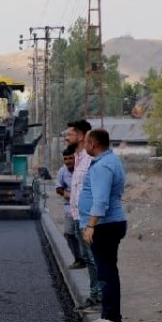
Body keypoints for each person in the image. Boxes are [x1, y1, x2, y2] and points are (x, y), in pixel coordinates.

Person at [79, 128, 128, 322]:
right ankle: (111, 316)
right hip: (110, 223)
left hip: (104, 225)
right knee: (108, 270)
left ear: (93, 144)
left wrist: (90, 225)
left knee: (106, 272)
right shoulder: (111, 161)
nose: (84, 146)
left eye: (86, 143)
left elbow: (100, 200)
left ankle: (110, 318)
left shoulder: (102, 166)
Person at [66, 118, 101, 311]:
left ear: (80, 136)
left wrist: (92, 222)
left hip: (88, 218)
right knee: (88, 258)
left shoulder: (90, 160)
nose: (66, 138)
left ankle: (98, 297)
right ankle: (95, 295)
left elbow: (96, 191)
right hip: (79, 216)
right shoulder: (77, 159)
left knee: (94, 258)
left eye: (69, 135)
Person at [56, 144, 86, 269]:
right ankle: (78, 259)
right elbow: (58, 188)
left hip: (84, 207)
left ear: (76, 158)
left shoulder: (82, 171)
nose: (68, 161)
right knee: (69, 233)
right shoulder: (62, 172)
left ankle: (88, 259)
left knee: (83, 234)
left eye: (70, 158)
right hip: (69, 207)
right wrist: (68, 194)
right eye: (66, 159)